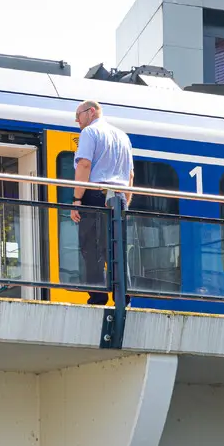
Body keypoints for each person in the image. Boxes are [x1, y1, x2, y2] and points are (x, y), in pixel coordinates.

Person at [68, 99, 134, 305]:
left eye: (78, 116)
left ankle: (97, 297)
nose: (77, 121)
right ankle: (123, 297)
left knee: (92, 248)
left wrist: (77, 199)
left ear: (91, 112)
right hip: (119, 198)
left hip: (95, 194)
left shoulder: (89, 133)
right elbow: (130, 175)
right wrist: (125, 204)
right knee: (117, 249)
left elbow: (84, 165)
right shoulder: (123, 136)